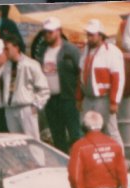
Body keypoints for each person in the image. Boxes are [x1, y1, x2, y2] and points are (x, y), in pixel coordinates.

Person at [76, 19, 125, 149]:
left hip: (104, 99)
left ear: (101, 35)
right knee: (86, 130)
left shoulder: (112, 51)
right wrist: (79, 97)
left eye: (92, 35)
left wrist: (114, 101)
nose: (89, 38)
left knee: (111, 131)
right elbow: (81, 75)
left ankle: (121, 159)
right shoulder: (85, 51)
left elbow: (118, 78)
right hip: (88, 98)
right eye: (88, 35)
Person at [35, 16, 81, 153]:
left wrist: (79, 96)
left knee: (75, 133)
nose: (47, 35)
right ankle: (63, 162)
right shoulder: (42, 50)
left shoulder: (71, 50)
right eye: (45, 32)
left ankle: (78, 161)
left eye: (50, 32)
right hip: (50, 100)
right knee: (57, 134)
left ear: (59, 31)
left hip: (68, 98)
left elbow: (80, 72)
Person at [2, 34, 50, 140]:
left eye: (7, 48)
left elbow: (44, 88)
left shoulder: (31, 64)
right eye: (4, 48)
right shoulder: (6, 66)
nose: (5, 51)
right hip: (10, 108)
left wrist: (36, 105)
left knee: (32, 141)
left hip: (25, 108)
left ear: (16, 47)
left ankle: (37, 157)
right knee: (16, 142)